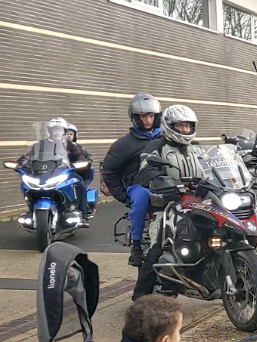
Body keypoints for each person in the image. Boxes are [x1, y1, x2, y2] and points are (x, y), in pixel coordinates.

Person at [132, 105, 205, 301]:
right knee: (159, 244)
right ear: (169, 126)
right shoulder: (156, 146)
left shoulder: (197, 147)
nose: (185, 130)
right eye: (180, 126)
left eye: (188, 126)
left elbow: (212, 165)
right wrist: (160, 180)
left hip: (196, 202)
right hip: (166, 204)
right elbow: (145, 170)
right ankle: (140, 296)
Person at [102, 93, 163, 267]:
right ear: (136, 118)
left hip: (165, 183)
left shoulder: (167, 138)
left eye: (151, 116)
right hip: (139, 185)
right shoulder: (124, 144)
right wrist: (124, 196)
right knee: (142, 197)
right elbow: (109, 171)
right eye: (144, 116)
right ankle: (136, 246)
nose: (148, 120)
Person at [19, 117, 92, 222]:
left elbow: (78, 156)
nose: (57, 132)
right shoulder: (40, 144)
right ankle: (31, 210)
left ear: (64, 131)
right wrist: (20, 163)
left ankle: (83, 213)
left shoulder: (70, 144)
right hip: (43, 173)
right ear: (50, 131)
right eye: (54, 130)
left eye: (59, 130)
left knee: (79, 183)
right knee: (26, 185)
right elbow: (28, 156)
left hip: (64, 172)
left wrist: (81, 163)